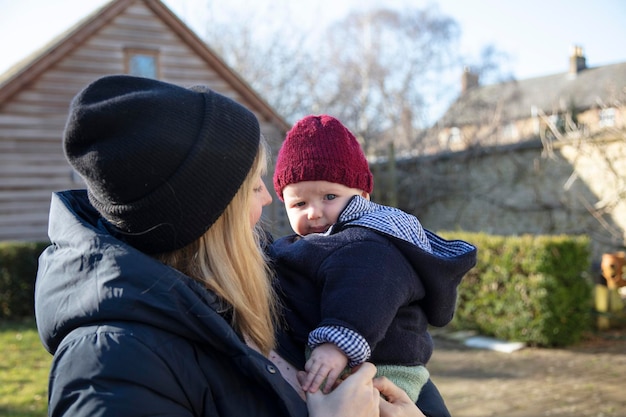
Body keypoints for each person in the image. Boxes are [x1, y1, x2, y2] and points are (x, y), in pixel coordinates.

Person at [34, 75, 425, 417]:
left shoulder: (270, 285)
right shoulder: (109, 368)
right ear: (209, 216)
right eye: (256, 186)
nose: (269, 200)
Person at [270, 115, 477, 403]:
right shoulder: (318, 241)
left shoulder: (367, 243)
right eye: (299, 203)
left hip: (384, 368)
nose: (314, 212)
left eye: (329, 196)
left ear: (363, 196)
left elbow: (364, 292)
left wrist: (336, 345)